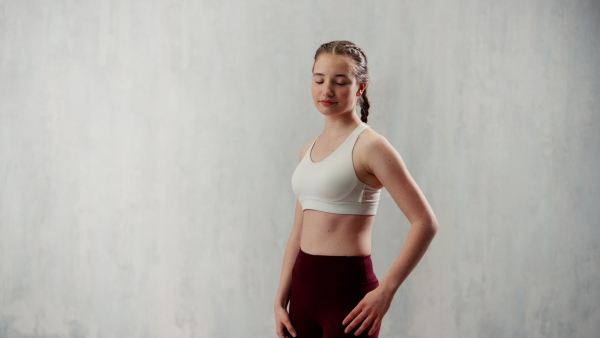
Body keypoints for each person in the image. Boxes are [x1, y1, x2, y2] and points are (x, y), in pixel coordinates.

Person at [274, 40, 439, 338]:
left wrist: (386, 292)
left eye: (340, 82)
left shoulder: (371, 146)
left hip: (348, 297)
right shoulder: (307, 150)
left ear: (360, 88)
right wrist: (279, 300)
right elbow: (297, 231)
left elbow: (425, 222)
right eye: (319, 79)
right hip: (301, 291)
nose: (327, 90)